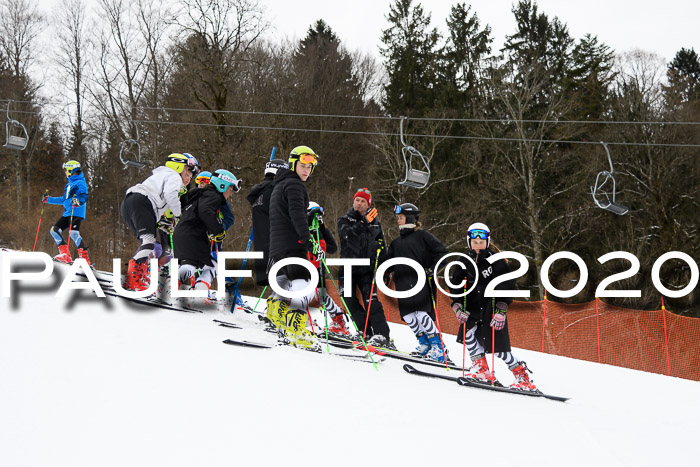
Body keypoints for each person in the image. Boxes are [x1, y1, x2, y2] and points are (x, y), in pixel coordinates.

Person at [266, 146, 344, 350]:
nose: (306, 171)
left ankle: (277, 315)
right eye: (303, 166)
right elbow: (297, 216)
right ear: (293, 164)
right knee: (304, 286)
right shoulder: (294, 185)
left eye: (310, 168)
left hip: (278, 247)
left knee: (285, 284)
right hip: (293, 246)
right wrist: (309, 242)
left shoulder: (279, 185)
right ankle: (297, 330)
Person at [448, 223, 536, 390]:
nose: (478, 246)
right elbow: (455, 287)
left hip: (491, 307)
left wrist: (501, 310)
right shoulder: (463, 261)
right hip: (472, 307)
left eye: (481, 243)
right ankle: (482, 370)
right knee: (468, 336)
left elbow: (509, 286)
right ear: (469, 242)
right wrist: (458, 307)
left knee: (497, 348)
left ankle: (521, 376)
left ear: (487, 242)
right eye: (475, 242)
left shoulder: (496, 261)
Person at [120, 153, 197, 291]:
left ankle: (139, 275)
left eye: (191, 176)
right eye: (188, 172)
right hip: (142, 202)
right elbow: (170, 195)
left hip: (129, 204)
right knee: (149, 242)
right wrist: (179, 216)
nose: (189, 177)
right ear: (178, 166)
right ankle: (133, 277)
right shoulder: (173, 176)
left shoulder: (161, 176)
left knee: (147, 242)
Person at [386, 203, 449, 363]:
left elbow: (442, 253)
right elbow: (388, 263)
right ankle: (424, 343)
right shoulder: (396, 242)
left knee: (421, 313)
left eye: (400, 218)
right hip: (401, 283)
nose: (398, 221)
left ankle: (439, 347)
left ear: (410, 218)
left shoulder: (422, 236)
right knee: (408, 316)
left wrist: (432, 269)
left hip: (419, 281)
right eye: (398, 218)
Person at [337, 187, 392, 345]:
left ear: (369, 205)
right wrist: (363, 223)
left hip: (367, 270)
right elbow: (347, 235)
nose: (359, 204)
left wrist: (385, 270)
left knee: (371, 301)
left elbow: (382, 248)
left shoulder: (376, 225)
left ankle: (382, 335)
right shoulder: (344, 220)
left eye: (363, 201)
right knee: (349, 300)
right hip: (347, 267)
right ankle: (364, 331)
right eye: (357, 200)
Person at [173, 169, 240, 292]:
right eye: (230, 189)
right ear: (222, 185)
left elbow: (180, 205)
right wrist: (218, 231)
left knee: (210, 266)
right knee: (193, 266)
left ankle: (199, 291)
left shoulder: (195, 193)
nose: (230, 194)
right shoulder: (214, 196)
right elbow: (205, 211)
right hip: (194, 235)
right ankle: (170, 286)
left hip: (182, 234)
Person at [246, 159, 288, 290]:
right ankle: (278, 308)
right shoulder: (275, 191)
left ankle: (275, 307)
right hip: (276, 247)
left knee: (280, 283)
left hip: (263, 249)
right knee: (287, 282)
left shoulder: (260, 192)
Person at [44, 160, 91, 266]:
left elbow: (84, 196)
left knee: (74, 233)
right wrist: (48, 199)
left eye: (66, 170)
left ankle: (85, 260)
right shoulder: (69, 185)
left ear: (71, 170)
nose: (65, 172)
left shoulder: (80, 182)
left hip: (76, 212)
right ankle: (65, 255)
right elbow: (63, 200)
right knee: (54, 230)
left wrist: (78, 201)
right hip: (68, 213)